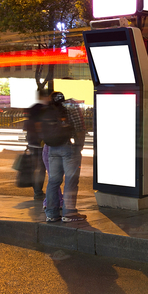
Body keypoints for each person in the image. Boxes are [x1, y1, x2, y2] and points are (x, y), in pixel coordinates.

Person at [43, 91, 87, 224]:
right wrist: (79, 146)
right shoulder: (71, 108)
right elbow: (79, 128)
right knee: (71, 181)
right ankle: (69, 213)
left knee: (53, 181)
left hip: (52, 148)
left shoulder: (48, 110)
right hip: (68, 147)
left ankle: (51, 214)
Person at [25, 89, 51, 200]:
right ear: (46, 97)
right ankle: (38, 192)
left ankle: (37, 191)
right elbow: (38, 125)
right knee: (41, 168)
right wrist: (43, 138)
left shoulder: (33, 108)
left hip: (31, 141)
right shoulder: (41, 109)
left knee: (37, 167)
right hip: (39, 143)